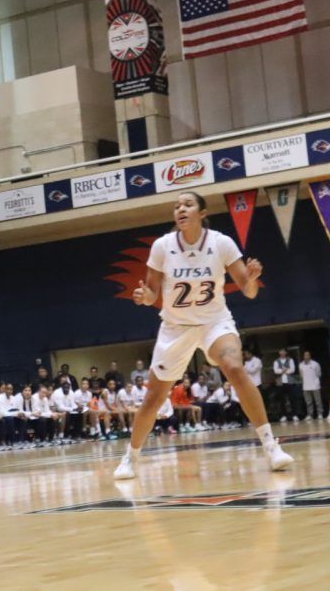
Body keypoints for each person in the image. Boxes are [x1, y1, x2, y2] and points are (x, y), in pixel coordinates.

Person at [115, 192, 292, 481]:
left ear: (202, 212)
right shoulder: (162, 246)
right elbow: (151, 294)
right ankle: (130, 458)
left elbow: (248, 291)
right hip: (176, 326)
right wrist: (143, 296)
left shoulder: (221, 242)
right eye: (176, 205)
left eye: (187, 204)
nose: (180, 209)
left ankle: (271, 447)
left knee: (234, 367)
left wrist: (250, 278)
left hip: (214, 321)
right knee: (154, 398)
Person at [272, 348, 300, 422]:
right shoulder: (276, 361)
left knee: (292, 399)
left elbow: (293, 369)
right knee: (282, 400)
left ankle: (294, 415)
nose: (282, 353)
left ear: (286, 352)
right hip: (280, 383)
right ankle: (283, 415)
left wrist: (282, 371)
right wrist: (284, 370)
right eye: (281, 351)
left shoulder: (290, 360)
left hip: (290, 382)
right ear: (279, 352)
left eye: (283, 351)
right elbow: (275, 371)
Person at [298, 350, 323, 421]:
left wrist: (315, 381)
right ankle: (310, 415)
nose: (306, 356)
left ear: (310, 356)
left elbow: (319, 374)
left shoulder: (315, 364)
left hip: (315, 386)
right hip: (306, 386)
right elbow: (301, 375)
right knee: (308, 402)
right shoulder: (301, 365)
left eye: (307, 355)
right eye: (305, 355)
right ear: (303, 356)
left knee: (318, 401)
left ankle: (320, 414)